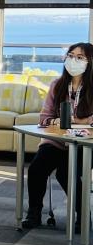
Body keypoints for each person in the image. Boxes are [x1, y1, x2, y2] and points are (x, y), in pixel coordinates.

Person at [23, 42, 93, 230]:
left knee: (66, 172)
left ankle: (83, 216)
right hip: (59, 141)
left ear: (90, 62)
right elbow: (44, 118)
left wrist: (79, 120)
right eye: (70, 55)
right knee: (36, 168)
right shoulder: (57, 85)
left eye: (80, 57)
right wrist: (56, 121)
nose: (73, 60)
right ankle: (34, 213)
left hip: (86, 143)